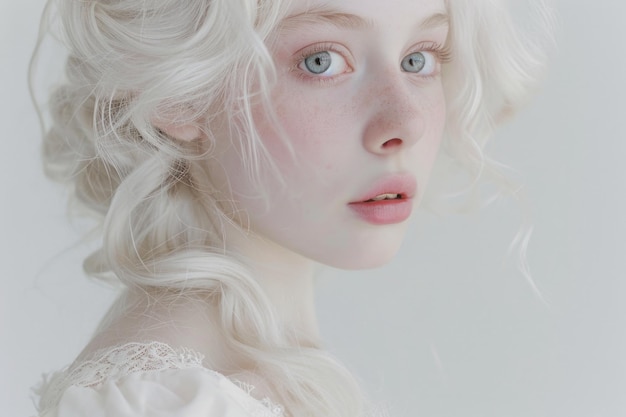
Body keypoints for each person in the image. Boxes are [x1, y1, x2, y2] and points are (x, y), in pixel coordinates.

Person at [30, 0, 553, 416]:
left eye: (418, 58)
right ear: (177, 94)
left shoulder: (242, 375)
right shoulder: (168, 404)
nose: (406, 122)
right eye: (321, 61)